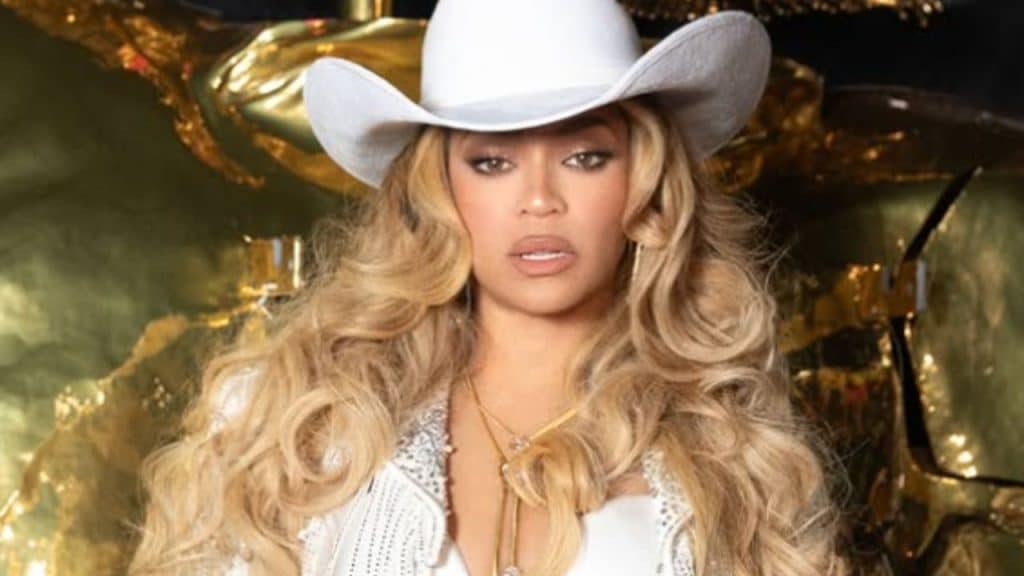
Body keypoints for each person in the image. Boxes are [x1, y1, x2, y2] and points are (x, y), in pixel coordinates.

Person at [129, 0, 847, 575]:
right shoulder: (301, 417)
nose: (539, 200)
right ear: (438, 187)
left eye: (585, 156)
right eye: (492, 163)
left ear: (646, 180)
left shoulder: (728, 447)